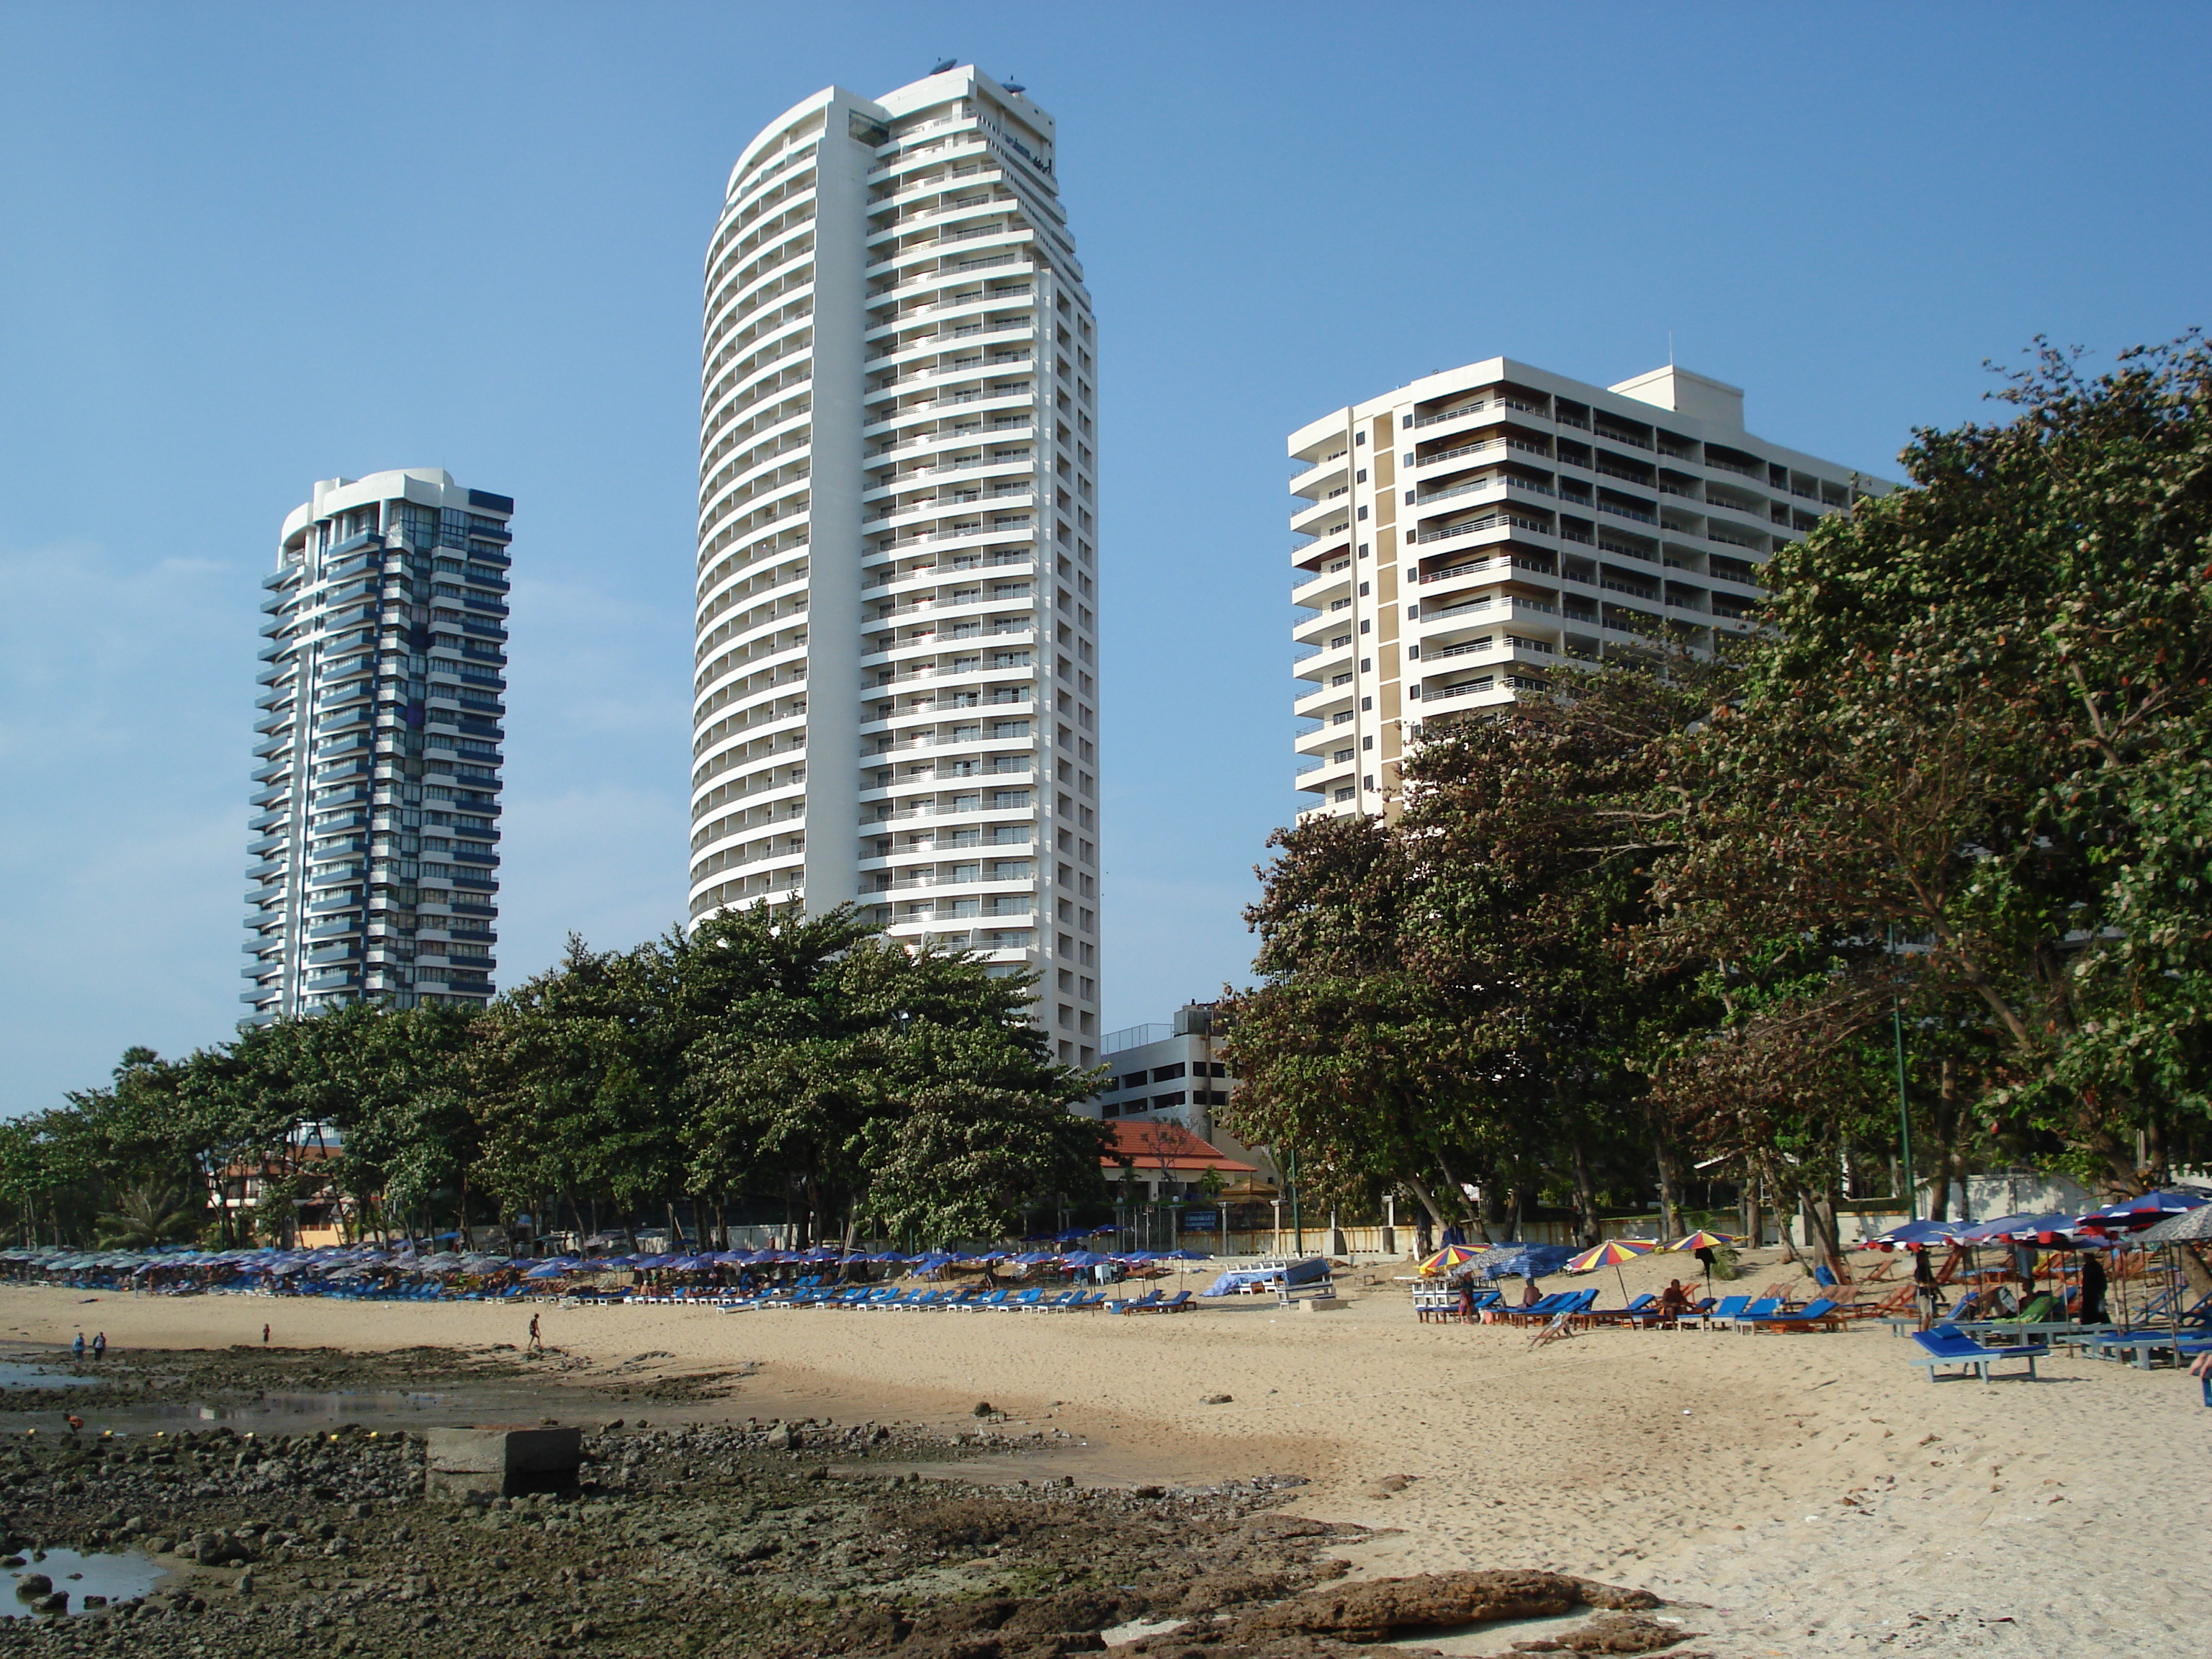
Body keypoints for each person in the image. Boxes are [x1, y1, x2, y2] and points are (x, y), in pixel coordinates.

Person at [2078, 1251, 2108, 1324]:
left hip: (2095, 1292)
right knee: (2088, 1310)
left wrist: (2101, 1291)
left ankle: (2104, 1324)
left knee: (2098, 1310)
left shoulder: (2096, 1266)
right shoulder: (2087, 1266)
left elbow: (2102, 1280)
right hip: (2088, 1292)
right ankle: (2086, 1322)